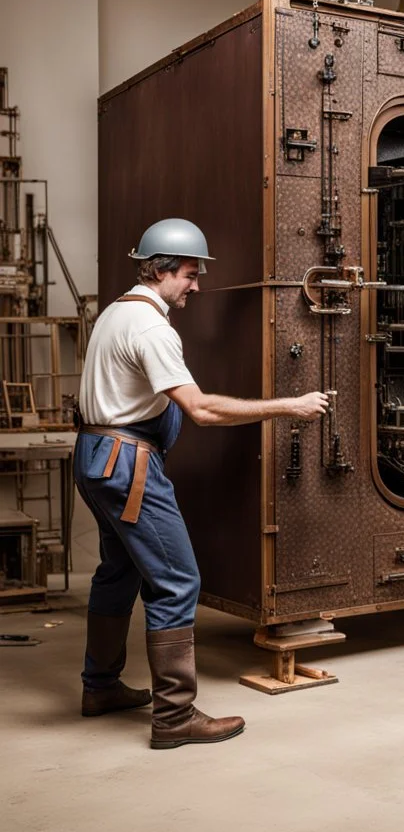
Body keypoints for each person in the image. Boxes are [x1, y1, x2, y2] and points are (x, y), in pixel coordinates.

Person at [75, 218, 329, 749]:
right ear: (163, 270)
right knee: (177, 580)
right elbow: (202, 409)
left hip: (96, 456)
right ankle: (173, 718)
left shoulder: (117, 312)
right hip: (127, 465)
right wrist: (290, 406)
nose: (197, 285)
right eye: (191, 274)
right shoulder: (150, 327)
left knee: (118, 572)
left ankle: (99, 688)